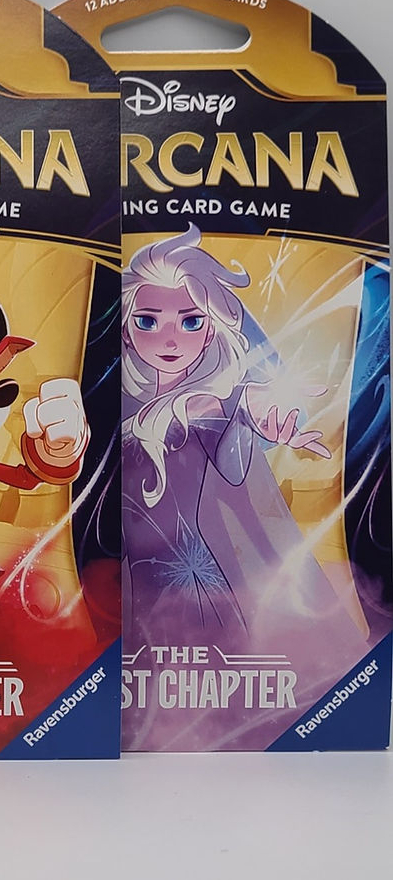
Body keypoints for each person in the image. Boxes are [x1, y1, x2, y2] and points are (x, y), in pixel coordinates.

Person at [121, 225, 364, 651]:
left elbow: (227, 418)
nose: (170, 338)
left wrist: (254, 409)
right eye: (148, 321)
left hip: (200, 593)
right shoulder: (125, 409)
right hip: (133, 588)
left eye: (191, 321)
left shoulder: (208, 405)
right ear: (126, 330)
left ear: (210, 332)